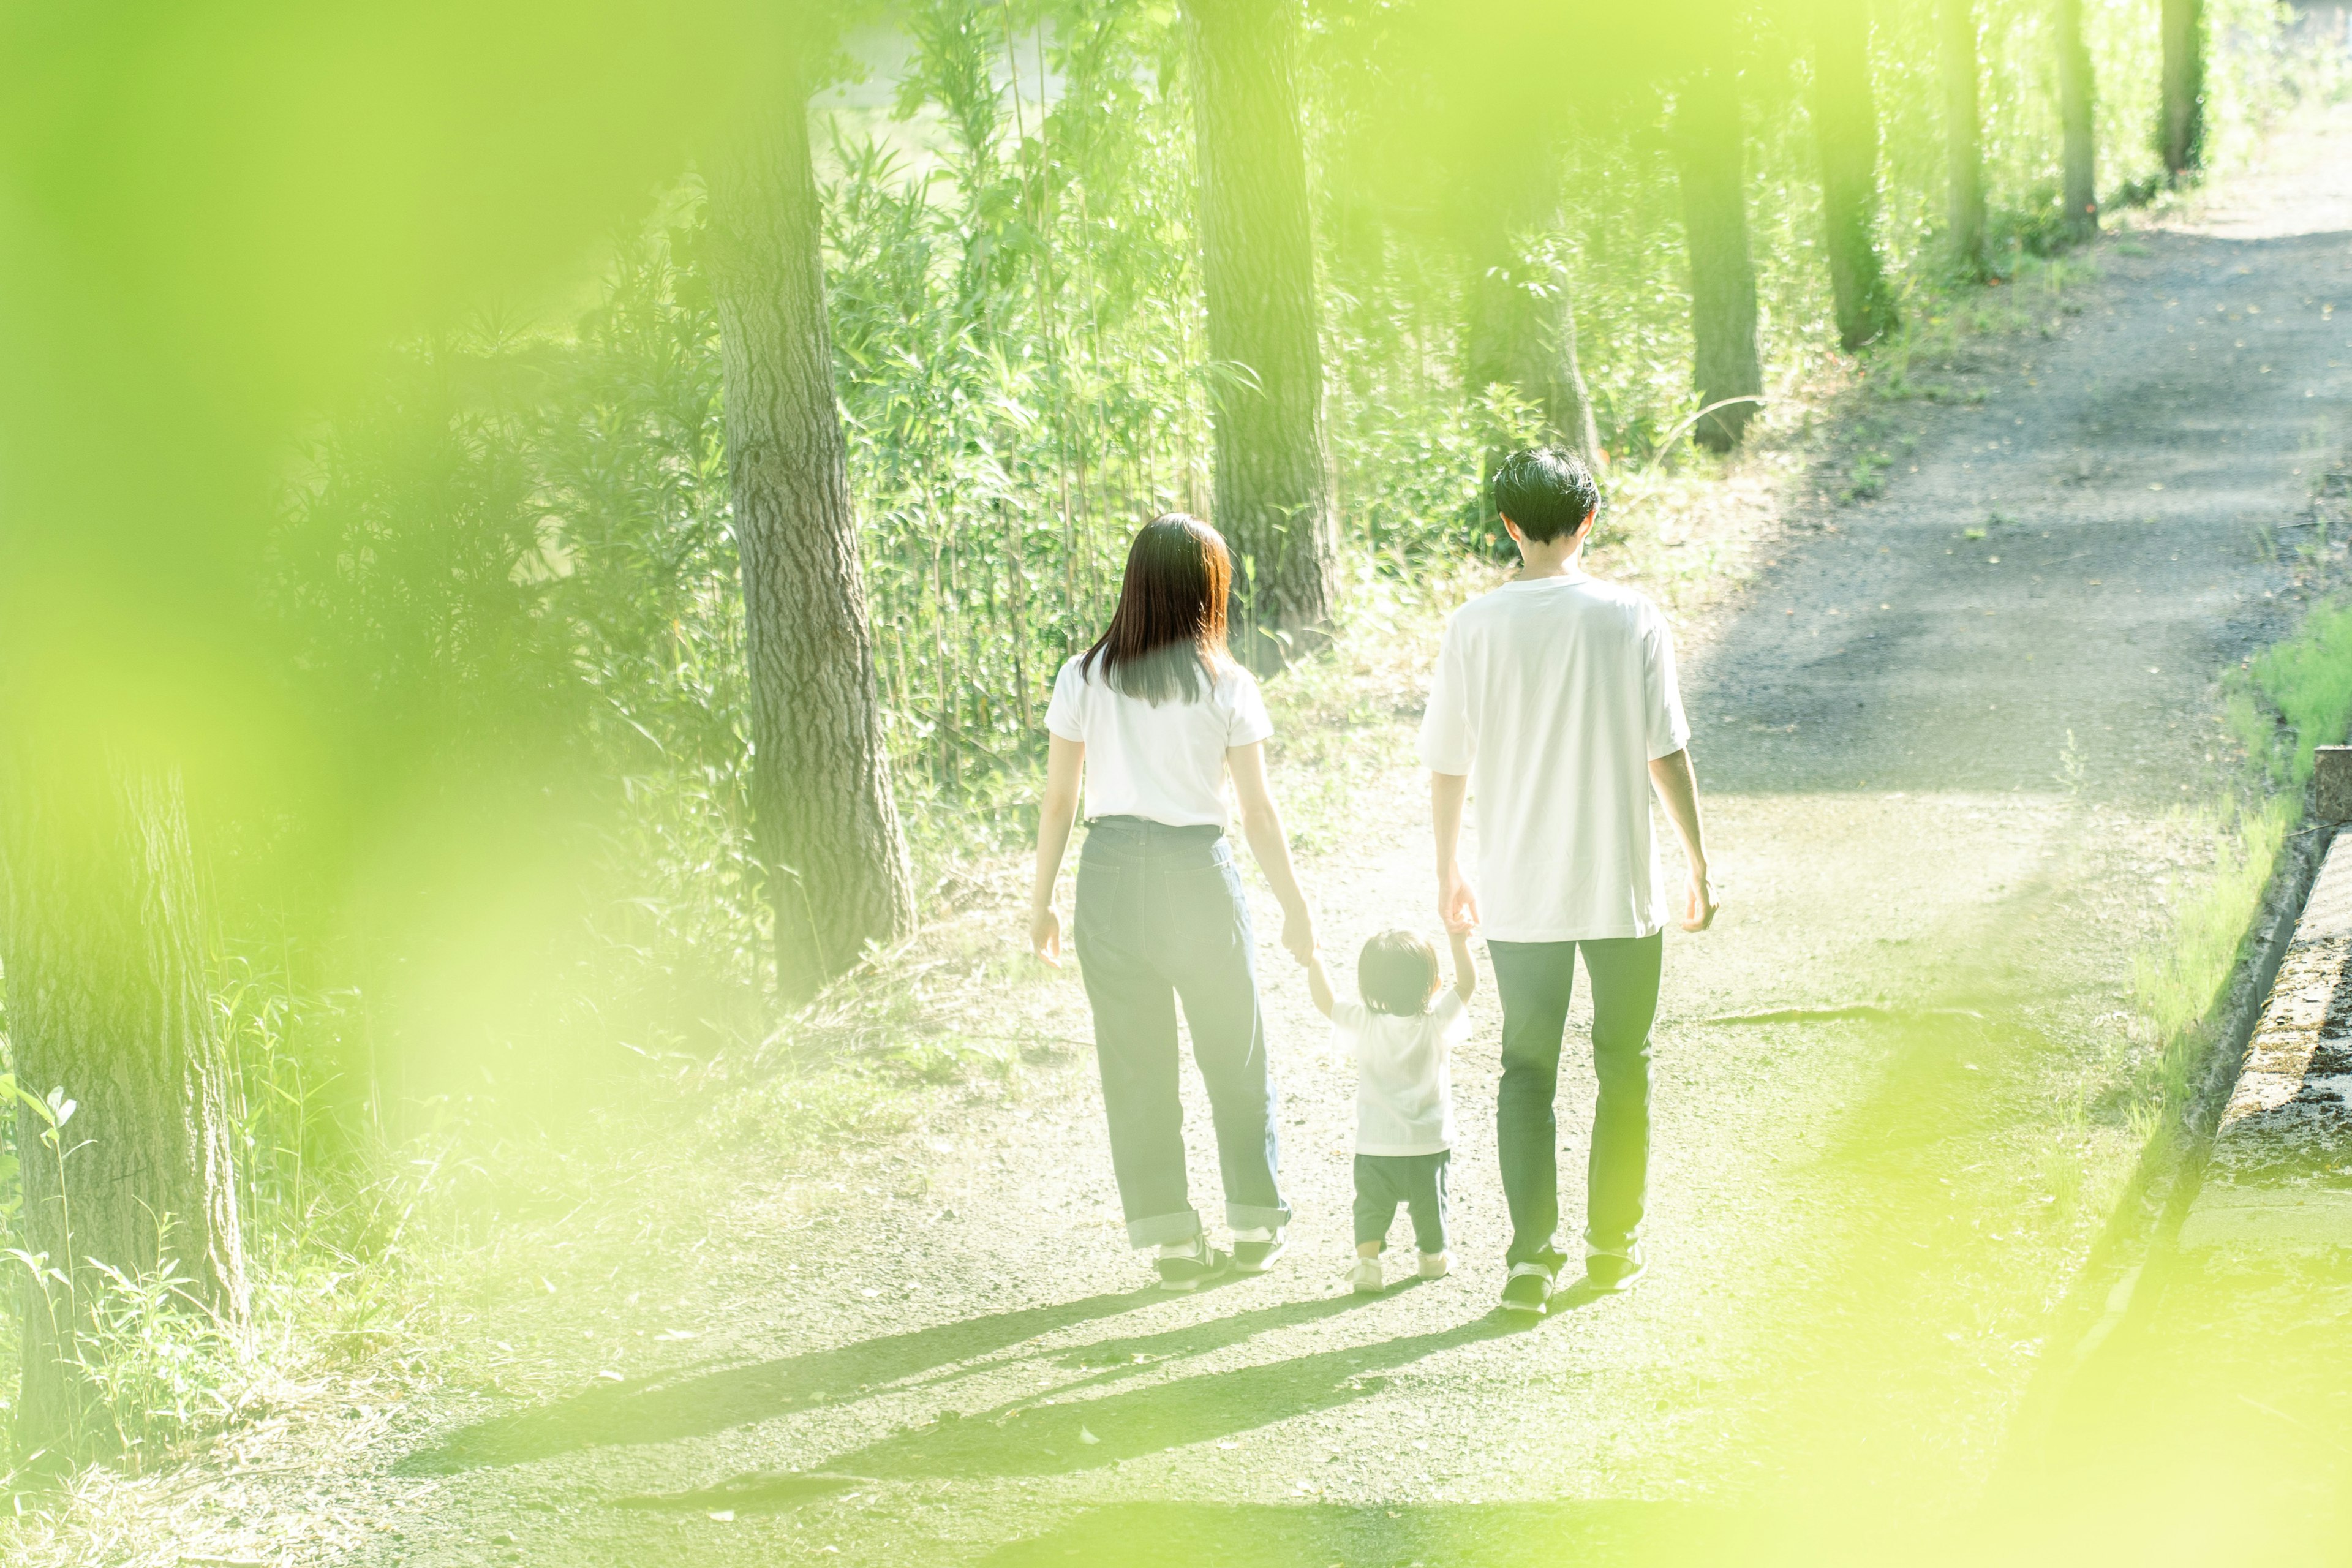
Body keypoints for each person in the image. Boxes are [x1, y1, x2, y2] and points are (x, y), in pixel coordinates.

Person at [1420, 447, 1719, 1316]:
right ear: (1589, 522)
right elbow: (1665, 753)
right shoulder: (1629, 617)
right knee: (1627, 1064)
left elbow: (1447, 765)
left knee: (1526, 1071)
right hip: (1621, 884)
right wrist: (1698, 860)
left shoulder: (1474, 626)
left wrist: (1448, 872)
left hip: (1519, 886)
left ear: (1509, 527)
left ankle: (1528, 1261)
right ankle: (1612, 1248)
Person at [1030, 514, 1316, 1291]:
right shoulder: (1226, 683)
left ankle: (1172, 1243)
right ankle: (1255, 1225)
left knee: (1136, 1067)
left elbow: (1059, 802)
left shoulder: (1082, 676)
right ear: (1206, 590)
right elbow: (1258, 813)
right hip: (1197, 874)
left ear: (1136, 585)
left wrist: (1043, 901)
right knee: (1235, 1051)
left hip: (1110, 876)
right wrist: (1294, 904)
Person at [1305, 927, 1474, 1295]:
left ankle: (1367, 1265)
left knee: (1370, 1205)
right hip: (1428, 1143)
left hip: (1376, 1143)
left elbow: (1327, 1003)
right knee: (1431, 1203)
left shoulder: (1364, 1023)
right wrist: (1459, 942)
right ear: (1433, 985)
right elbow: (1465, 986)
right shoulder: (1435, 1024)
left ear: (1370, 989)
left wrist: (1314, 957)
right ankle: (1432, 1258)